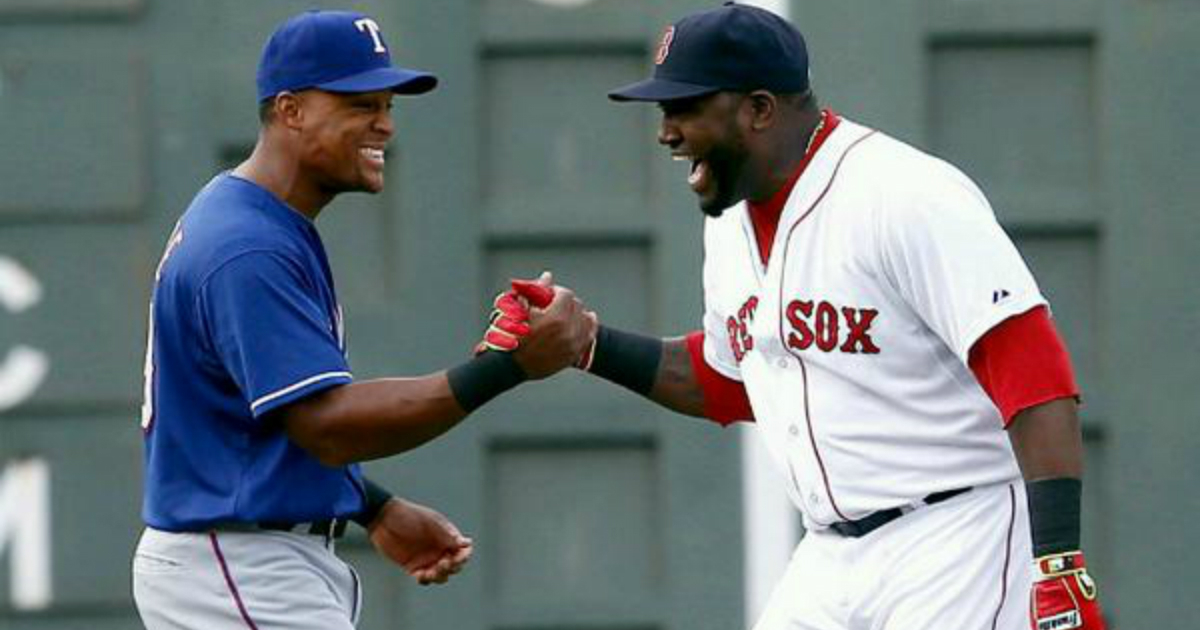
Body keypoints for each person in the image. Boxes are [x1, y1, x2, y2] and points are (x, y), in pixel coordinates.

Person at [496, 4, 1106, 629]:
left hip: (957, 535)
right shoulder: (732, 219)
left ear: (759, 109)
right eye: (663, 111)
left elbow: (1032, 369)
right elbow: (730, 381)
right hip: (829, 553)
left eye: (686, 108)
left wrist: (1057, 558)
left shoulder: (903, 195)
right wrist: (586, 343)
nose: (666, 132)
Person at [131, 10, 594, 630]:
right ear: (290, 110)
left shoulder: (251, 218)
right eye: (359, 104)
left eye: (386, 104)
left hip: (240, 558)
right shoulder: (248, 246)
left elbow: (264, 423)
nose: (385, 124)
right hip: (239, 566)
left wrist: (369, 506)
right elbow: (328, 426)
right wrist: (508, 367)